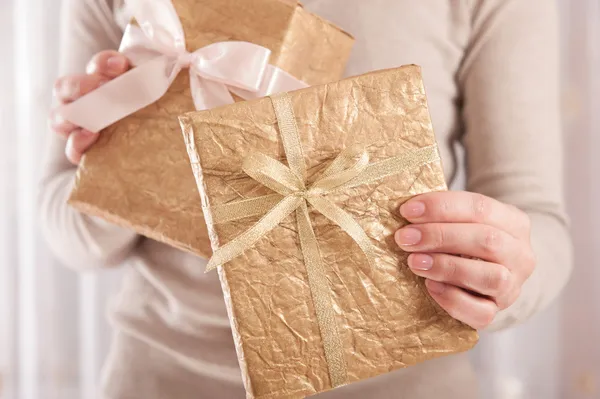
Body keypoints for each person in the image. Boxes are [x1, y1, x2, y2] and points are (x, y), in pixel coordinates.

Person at [41, 0, 572, 398]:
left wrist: (500, 273)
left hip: (407, 384)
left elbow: (539, 222)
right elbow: (66, 231)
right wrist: (119, 161)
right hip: (159, 379)